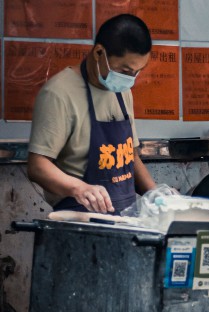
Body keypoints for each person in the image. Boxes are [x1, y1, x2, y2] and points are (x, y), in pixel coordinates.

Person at [27, 14, 156, 214]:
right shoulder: (59, 93)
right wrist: (80, 189)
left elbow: (129, 155)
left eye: (137, 72)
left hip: (126, 218)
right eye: (125, 70)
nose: (131, 79)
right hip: (80, 220)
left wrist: (155, 195)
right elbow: (37, 166)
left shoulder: (123, 91)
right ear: (98, 53)